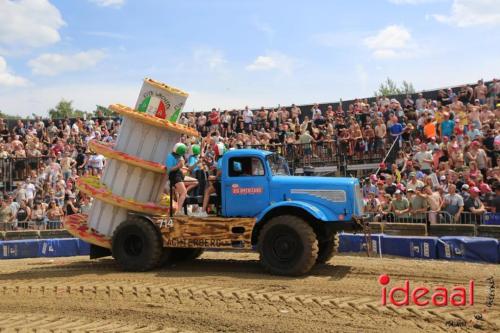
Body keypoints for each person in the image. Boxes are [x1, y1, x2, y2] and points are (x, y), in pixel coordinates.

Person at [199, 142, 225, 217]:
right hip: (223, 181)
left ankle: (203, 211)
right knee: (210, 179)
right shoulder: (225, 157)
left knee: (207, 191)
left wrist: (216, 177)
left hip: (220, 182)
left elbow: (220, 171)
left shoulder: (220, 160)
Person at [166, 143, 189, 216]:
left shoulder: (178, 156)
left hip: (179, 174)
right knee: (183, 192)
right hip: (175, 175)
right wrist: (178, 166)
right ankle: (178, 211)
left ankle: (178, 210)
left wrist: (180, 166)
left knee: (195, 182)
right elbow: (169, 169)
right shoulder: (170, 156)